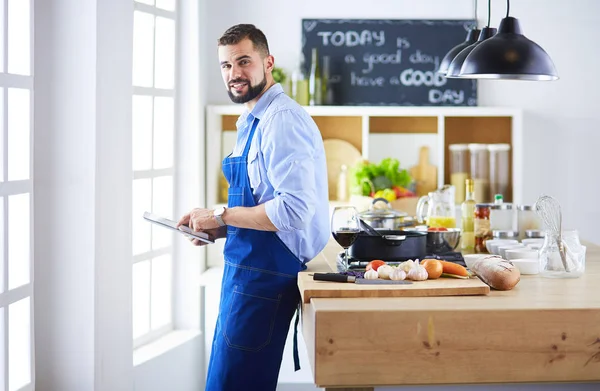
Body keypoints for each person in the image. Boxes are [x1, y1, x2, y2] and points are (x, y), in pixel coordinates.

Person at [177, 24, 329, 391]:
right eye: (226, 66)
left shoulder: (281, 120)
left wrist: (221, 214)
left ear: (268, 61)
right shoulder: (252, 120)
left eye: (243, 61)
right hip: (245, 273)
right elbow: (265, 203)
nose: (234, 74)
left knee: (234, 385)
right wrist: (221, 228)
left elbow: (293, 211)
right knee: (225, 380)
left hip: (265, 278)